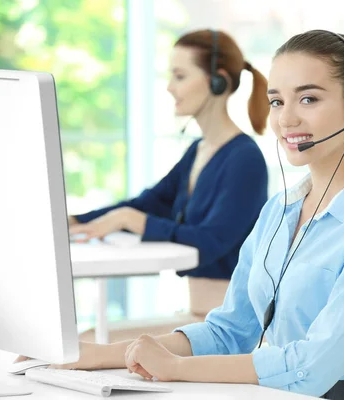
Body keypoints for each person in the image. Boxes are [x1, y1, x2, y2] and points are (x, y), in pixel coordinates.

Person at [21, 30, 344, 400]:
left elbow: (311, 367)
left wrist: (176, 369)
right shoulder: (279, 213)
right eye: (277, 101)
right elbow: (229, 331)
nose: (286, 119)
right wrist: (101, 355)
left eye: (309, 98)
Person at [69, 29, 270, 318]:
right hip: (199, 316)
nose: (169, 88)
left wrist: (131, 220)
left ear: (218, 82)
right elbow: (148, 204)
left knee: (88, 346)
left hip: (232, 326)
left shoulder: (245, 159)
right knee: (84, 344)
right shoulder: (198, 151)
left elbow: (209, 242)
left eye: (180, 76)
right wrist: (76, 220)